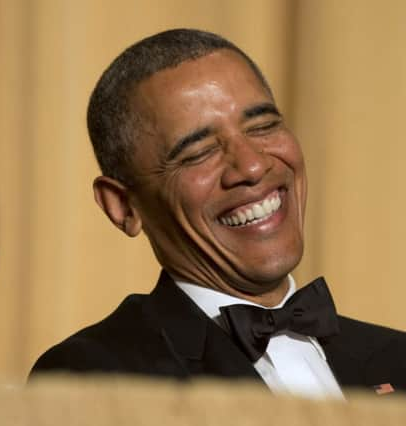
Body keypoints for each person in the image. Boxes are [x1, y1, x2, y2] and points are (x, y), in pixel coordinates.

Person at [30, 29, 406, 398]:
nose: (252, 166)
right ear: (123, 206)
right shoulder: (92, 379)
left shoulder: (397, 358)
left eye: (263, 126)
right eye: (197, 153)